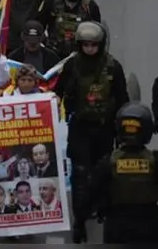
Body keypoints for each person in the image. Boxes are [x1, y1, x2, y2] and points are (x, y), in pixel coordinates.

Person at [53, 21, 130, 243]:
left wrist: (122, 130)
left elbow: (122, 99)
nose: (89, 49)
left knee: (102, 171)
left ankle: (102, 209)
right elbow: (56, 92)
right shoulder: (72, 65)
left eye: (93, 45)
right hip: (80, 127)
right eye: (85, 45)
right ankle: (79, 219)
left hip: (105, 128)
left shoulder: (113, 67)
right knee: (80, 173)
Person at [91, 103, 158, 243]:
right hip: (149, 224)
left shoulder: (108, 162)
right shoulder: (154, 160)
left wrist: (81, 221)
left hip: (116, 224)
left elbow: (94, 191)